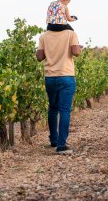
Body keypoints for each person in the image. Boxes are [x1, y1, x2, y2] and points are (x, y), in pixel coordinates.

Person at [36, 23, 82, 154]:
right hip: (66, 76)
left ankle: (54, 140)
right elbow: (76, 52)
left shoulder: (43, 36)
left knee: (53, 108)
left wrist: (50, 50)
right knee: (65, 110)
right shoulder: (70, 34)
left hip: (50, 77)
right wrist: (79, 48)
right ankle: (61, 145)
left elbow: (39, 57)